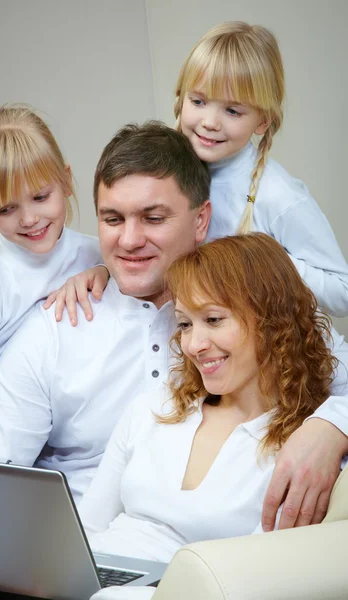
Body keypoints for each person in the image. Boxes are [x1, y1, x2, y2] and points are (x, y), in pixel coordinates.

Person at [51, 22, 348, 531]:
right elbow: (142, 237)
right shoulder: (187, 165)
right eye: (198, 101)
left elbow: (339, 291)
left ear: (262, 122)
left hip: (264, 349)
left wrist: (269, 263)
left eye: (232, 110)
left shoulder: (279, 194)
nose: (209, 122)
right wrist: (99, 270)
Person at [78, 233, 347, 600]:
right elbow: (84, 533)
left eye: (214, 319)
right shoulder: (154, 408)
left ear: (272, 320)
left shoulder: (303, 452)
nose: (193, 344)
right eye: (186, 324)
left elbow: (252, 582)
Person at [0, 121, 212, 505]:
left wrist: (330, 427)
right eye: (112, 219)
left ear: (201, 221)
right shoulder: (39, 324)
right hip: (92, 544)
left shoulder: (244, 301)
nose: (128, 240)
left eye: (153, 218)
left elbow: (332, 373)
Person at [0, 105, 101, 456]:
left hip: (51, 437)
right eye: (6, 209)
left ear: (65, 180)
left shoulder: (95, 256)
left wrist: (104, 271)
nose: (29, 219)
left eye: (40, 197)